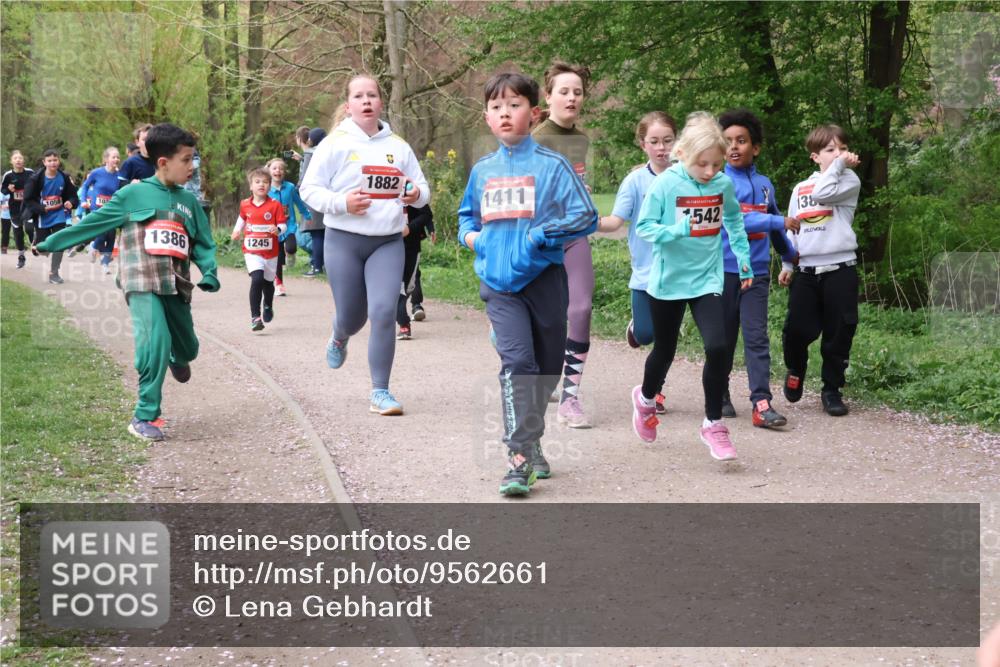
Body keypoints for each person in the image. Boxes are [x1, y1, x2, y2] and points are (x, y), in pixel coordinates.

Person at [459, 71, 597, 496]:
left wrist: (542, 234)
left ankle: (532, 439)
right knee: (518, 365)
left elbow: (585, 215)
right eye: (497, 108)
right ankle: (518, 458)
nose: (505, 114)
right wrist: (474, 239)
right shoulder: (483, 170)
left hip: (544, 279)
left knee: (548, 368)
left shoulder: (552, 166)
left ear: (532, 113)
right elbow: (467, 216)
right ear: (487, 117)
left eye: (514, 105)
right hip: (500, 285)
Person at [36, 123, 219, 442]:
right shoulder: (132, 194)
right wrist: (52, 242)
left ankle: (179, 356)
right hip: (140, 280)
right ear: (163, 162)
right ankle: (144, 415)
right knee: (154, 341)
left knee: (188, 345)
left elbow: (202, 242)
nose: (193, 167)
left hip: (176, 285)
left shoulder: (189, 203)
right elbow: (93, 223)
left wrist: (211, 271)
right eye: (187, 160)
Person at [300, 74, 429, 416]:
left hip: (387, 242)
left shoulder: (397, 146)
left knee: (384, 312)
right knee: (353, 317)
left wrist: (415, 194)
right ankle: (340, 334)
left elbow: (422, 190)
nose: (366, 100)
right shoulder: (334, 143)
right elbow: (308, 190)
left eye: (372, 94)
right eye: (359, 96)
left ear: (380, 102)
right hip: (343, 241)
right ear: (349, 105)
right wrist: (343, 202)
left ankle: (380, 391)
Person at [631, 112, 753, 462]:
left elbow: (732, 218)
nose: (711, 172)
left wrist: (742, 258)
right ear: (682, 154)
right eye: (703, 164)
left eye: (717, 164)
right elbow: (645, 227)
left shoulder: (722, 184)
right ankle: (646, 399)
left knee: (718, 346)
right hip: (669, 281)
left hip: (707, 278)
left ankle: (713, 424)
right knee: (664, 351)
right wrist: (675, 232)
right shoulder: (666, 184)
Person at [717, 108, 798, 428]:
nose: (734, 147)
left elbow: (775, 227)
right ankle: (719, 393)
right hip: (723, 270)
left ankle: (761, 404)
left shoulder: (765, 185)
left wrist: (790, 256)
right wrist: (778, 220)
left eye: (741, 141)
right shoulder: (718, 182)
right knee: (721, 339)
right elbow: (735, 220)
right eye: (727, 142)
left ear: (756, 147)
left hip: (759, 272)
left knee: (756, 337)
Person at [779, 124, 862, 417]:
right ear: (815, 157)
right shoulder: (800, 188)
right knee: (796, 330)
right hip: (807, 271)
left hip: (840, 269)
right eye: (830, 150)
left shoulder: (849, 180)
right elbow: (792, 227)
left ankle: (831, 389)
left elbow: (825, 192)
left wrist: (839, 165)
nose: (838, 154)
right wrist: (787, 263)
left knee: (839, 331)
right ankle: (796, 369)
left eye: (841, 148)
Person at [598, 111, 677, 415]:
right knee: (647, 335)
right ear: (643, 144)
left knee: (666, 340)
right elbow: (617, 220)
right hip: (645, 273)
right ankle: (636, 328)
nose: (662, 148)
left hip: (678, 273)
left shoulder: (688, 175)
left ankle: (655, 391)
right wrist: (588, 221)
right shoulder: (635, 181)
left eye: (667, 141)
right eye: (654, 141)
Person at [532, 61, 596, 429]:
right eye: (564, 91)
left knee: (582, 309)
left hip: (574, 236)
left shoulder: (581, 139)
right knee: (545, 318)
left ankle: (570, 398)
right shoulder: (537, 140)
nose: (572, 97)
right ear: (549, 96)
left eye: (577, 92)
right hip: (540, 239)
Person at [232, 167, 287, 330]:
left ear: (269, 186)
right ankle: (255, 317)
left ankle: (268, 304)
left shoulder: (275, 205)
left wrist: (277, 230)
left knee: (268, 283)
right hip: (251, 251)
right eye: (257, 182)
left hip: (270, 252)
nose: (261, 185)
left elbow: (283, 225)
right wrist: (236, 230)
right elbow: (242, 218)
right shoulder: (245, 204)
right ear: (251, 186)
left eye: (265, 182)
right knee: (257, 279)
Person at [21, 150, 78, 284]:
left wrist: (71, 202)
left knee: (59, 242)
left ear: (59, 161)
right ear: (44, 162)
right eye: (50, 160)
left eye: (55, 160)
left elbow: (73, 195)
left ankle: (54, 273)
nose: (53, 162)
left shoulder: (64, 177)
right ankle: (37, 243)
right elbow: (28, 199)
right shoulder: (36, 179)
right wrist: (41, 208)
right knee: (44, 249)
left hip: (58, 214)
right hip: (42, 216)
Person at [266, 157, 308, 295]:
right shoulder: (265, 189)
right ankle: (279, 284)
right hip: (273, 228)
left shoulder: (289, 187)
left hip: (288, 225)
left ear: (284, 172)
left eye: (281, 168)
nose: (278, 170)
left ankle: (290, 254)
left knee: (291, 247)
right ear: (269, 170)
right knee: (276, 256)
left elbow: (298, 202)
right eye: (275, 168)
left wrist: (306, 215)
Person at [80, 146, 123, 273]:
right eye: (113, 157)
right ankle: (94, 246)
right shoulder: (97, 173)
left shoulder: (120, 176)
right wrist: (83, 201)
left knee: (111, 234)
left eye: (118, 157)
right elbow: (85, 186)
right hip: (97, 208)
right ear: (106, 159)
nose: (116, 159)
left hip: (112, 210)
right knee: (102, 233)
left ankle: (105, 263)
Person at [395, 202, 433, 340]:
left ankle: (408, 316)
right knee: (389, 289)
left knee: (405, 287)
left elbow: (426, 213)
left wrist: (409, 229)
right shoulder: (376, 185)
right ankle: (401, 322)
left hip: (411, 246)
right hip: (384, 245)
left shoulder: (410, 187)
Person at [297, 126, 327, 276]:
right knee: (324, 234)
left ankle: (316, 266)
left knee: (316, 234)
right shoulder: (327, 152)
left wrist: (297, 190)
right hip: (326, 196)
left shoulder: (310, 154)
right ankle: (325, 265)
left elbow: (305, 177)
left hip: (313, 199)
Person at [2, 150, 35, 268]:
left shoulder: (30, 172)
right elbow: (3, 190)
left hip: (28, 206)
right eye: (15, 158)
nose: (18, 160)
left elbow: (38, 184)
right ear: (11, 161)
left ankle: (35, 245)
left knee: (30, 228)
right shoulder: (8, 175)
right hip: (15, 208)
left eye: (20, 158)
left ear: (23, 160)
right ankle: (21, 256)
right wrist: (9, 189)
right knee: (18, 233)